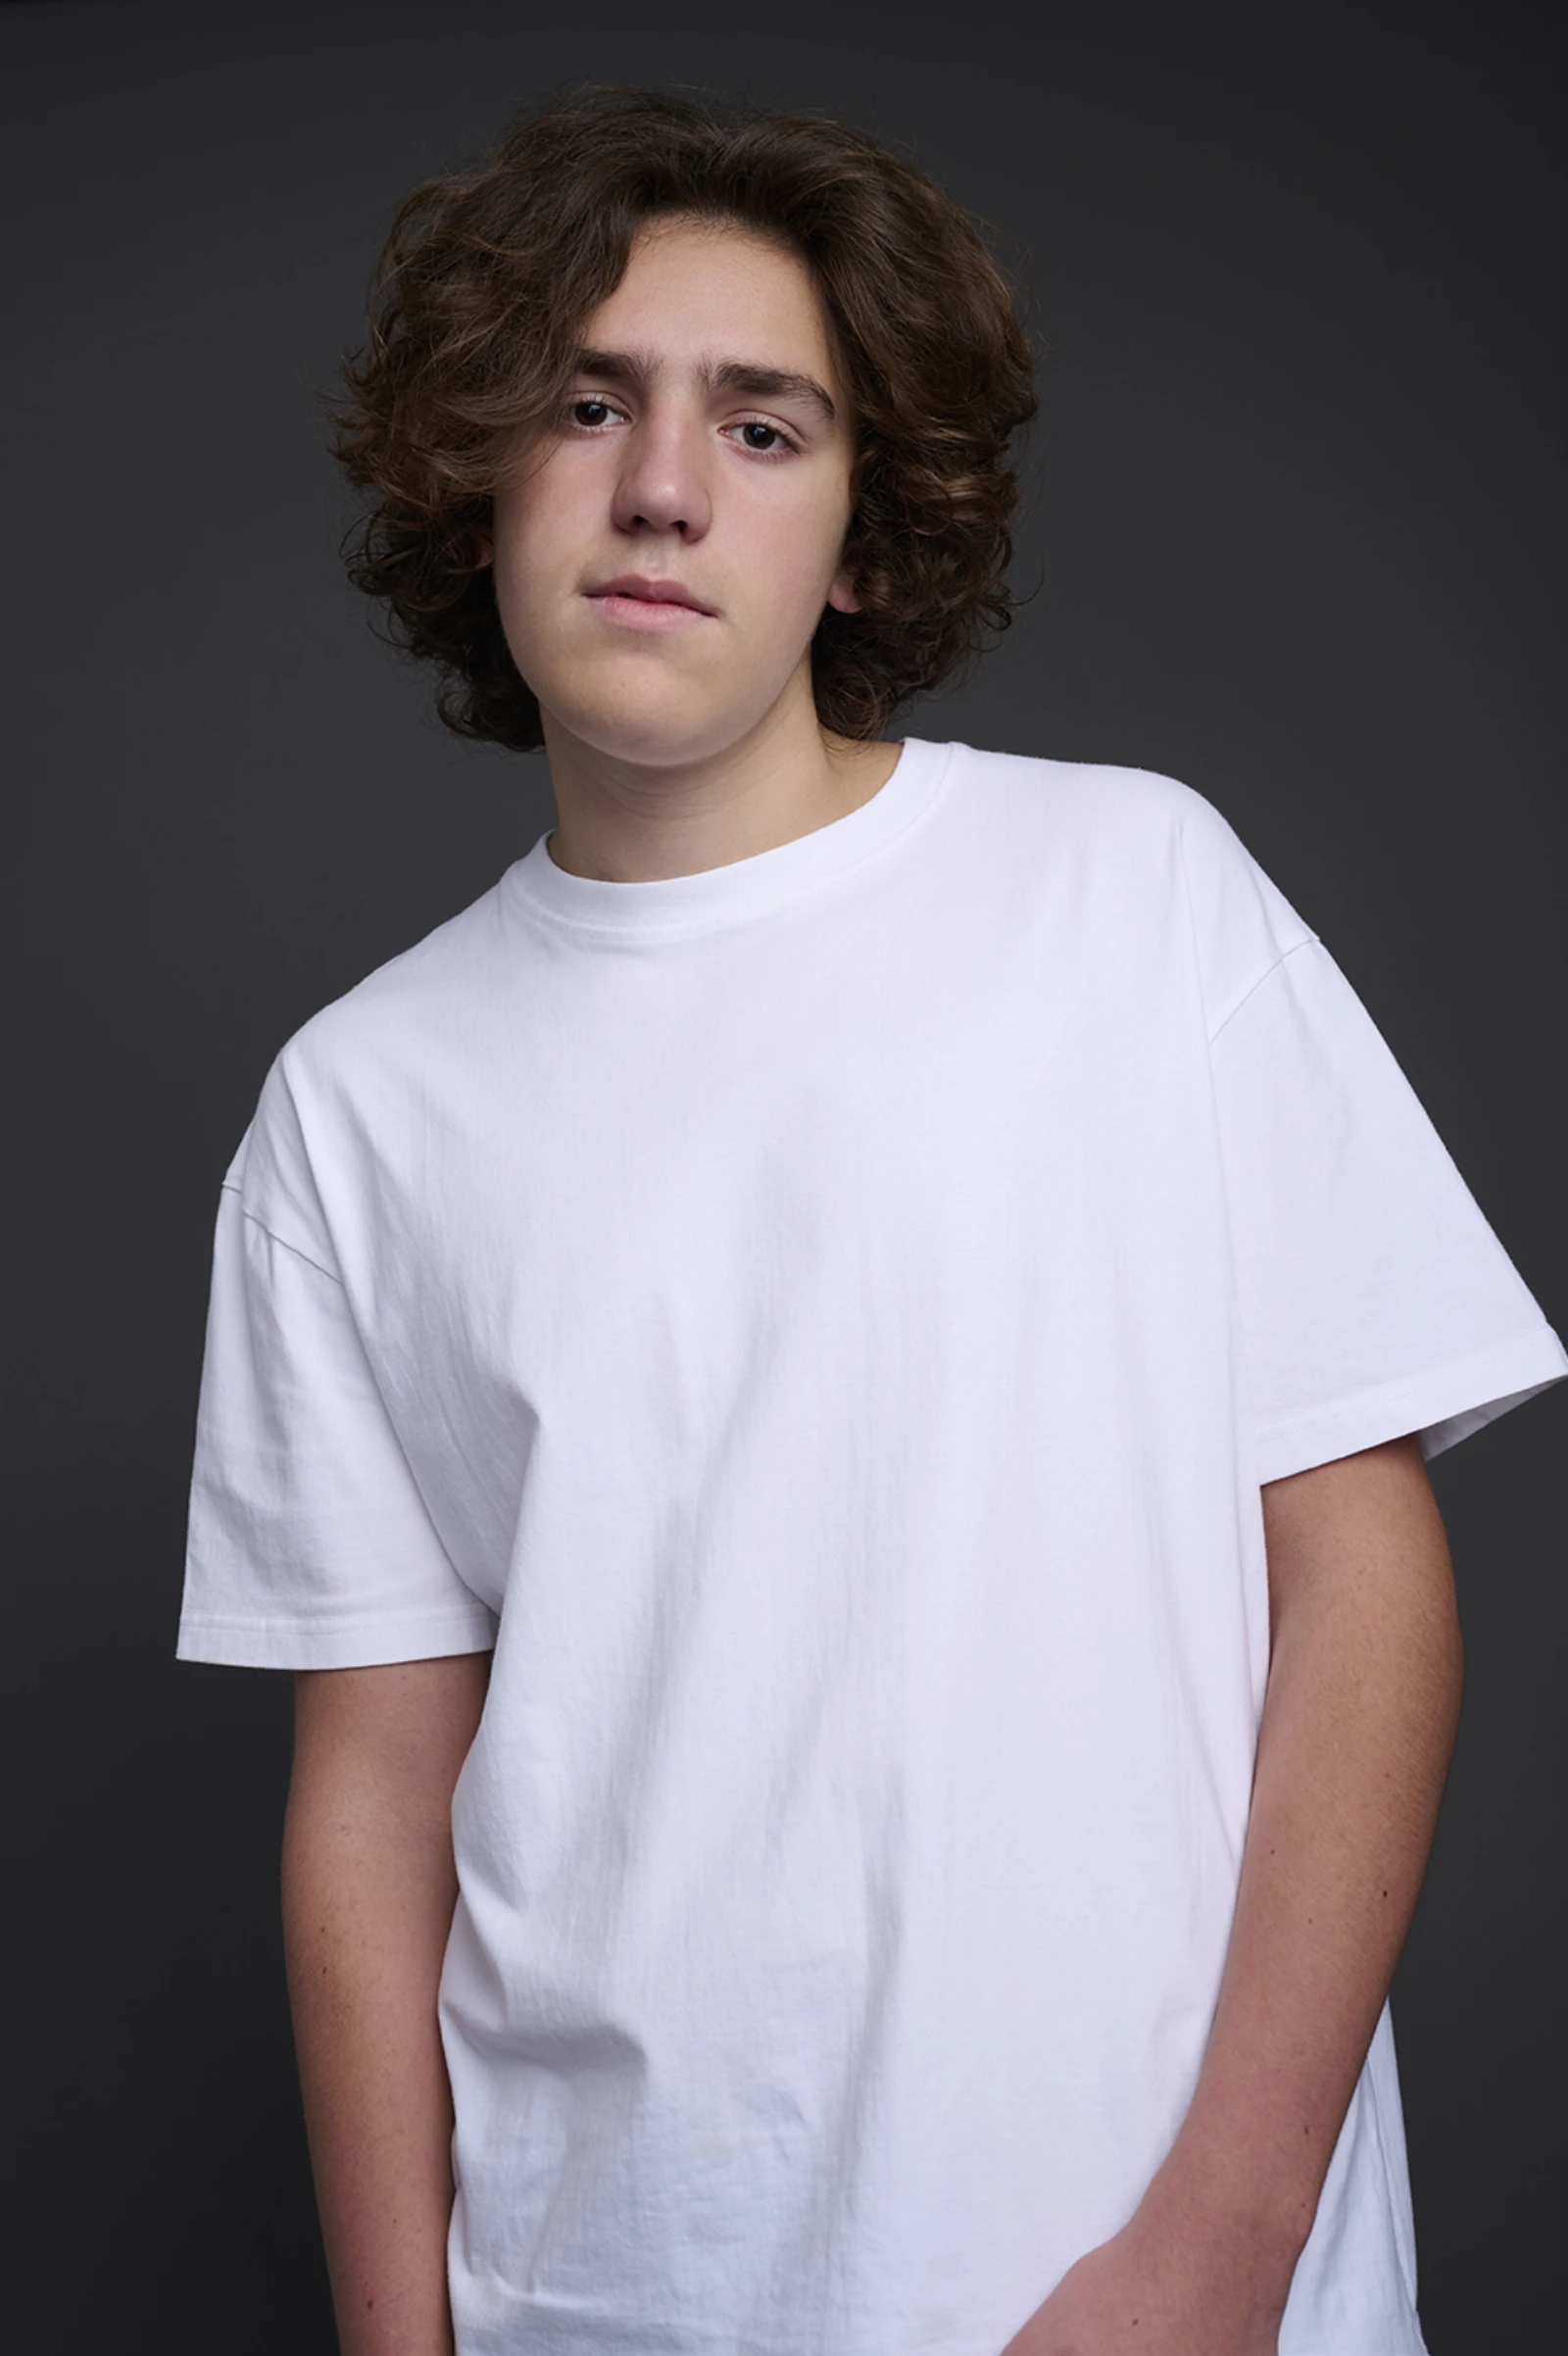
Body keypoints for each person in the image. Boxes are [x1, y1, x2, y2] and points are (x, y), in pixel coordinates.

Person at [175, 84, 1566, 2356]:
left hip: (1158, 2286)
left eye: (761, 425)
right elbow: (375, 1794)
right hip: (607, 2291)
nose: (658, 486)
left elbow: (1359, 1578)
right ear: (478, 478)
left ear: (858, 534)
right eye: (585, 404)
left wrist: (1216, 2254)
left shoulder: (1131, 896)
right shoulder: (359, 1103)